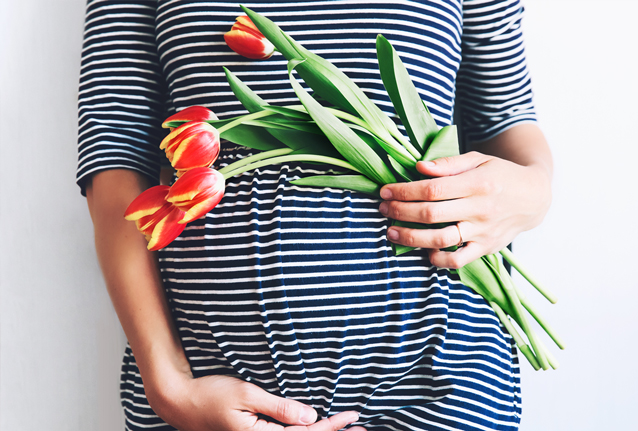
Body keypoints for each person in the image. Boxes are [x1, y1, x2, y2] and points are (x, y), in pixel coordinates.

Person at [79, 1, 552, 430]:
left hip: (438, 380)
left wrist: (533, 192)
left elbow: (505, 120)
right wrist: (169, 384)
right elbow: (113, 150)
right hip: (206, 389)